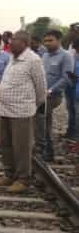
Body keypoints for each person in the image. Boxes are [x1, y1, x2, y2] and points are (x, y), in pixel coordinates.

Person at [0, 31, 46, 193]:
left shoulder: (33, 60)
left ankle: (23, 179)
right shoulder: (12, 58)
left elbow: (41, 88)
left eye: (14, 40)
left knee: (22, 147)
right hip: (5, 109)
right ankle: (9, 174)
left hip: (22, 112)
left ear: (24, 43)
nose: (10, 43)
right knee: (6, 145)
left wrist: (32, 105)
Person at [35, 30, 73, 162]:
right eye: (45, 41)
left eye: (50, 40)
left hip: (53, 96)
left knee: (43, 121)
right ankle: (44, 150)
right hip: (41, 95)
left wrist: (50, 90)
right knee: (42, 122)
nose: (47, 43)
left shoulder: (66, 56)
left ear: (59, 40)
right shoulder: (45, 55)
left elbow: (66, 78)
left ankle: (47, 151)